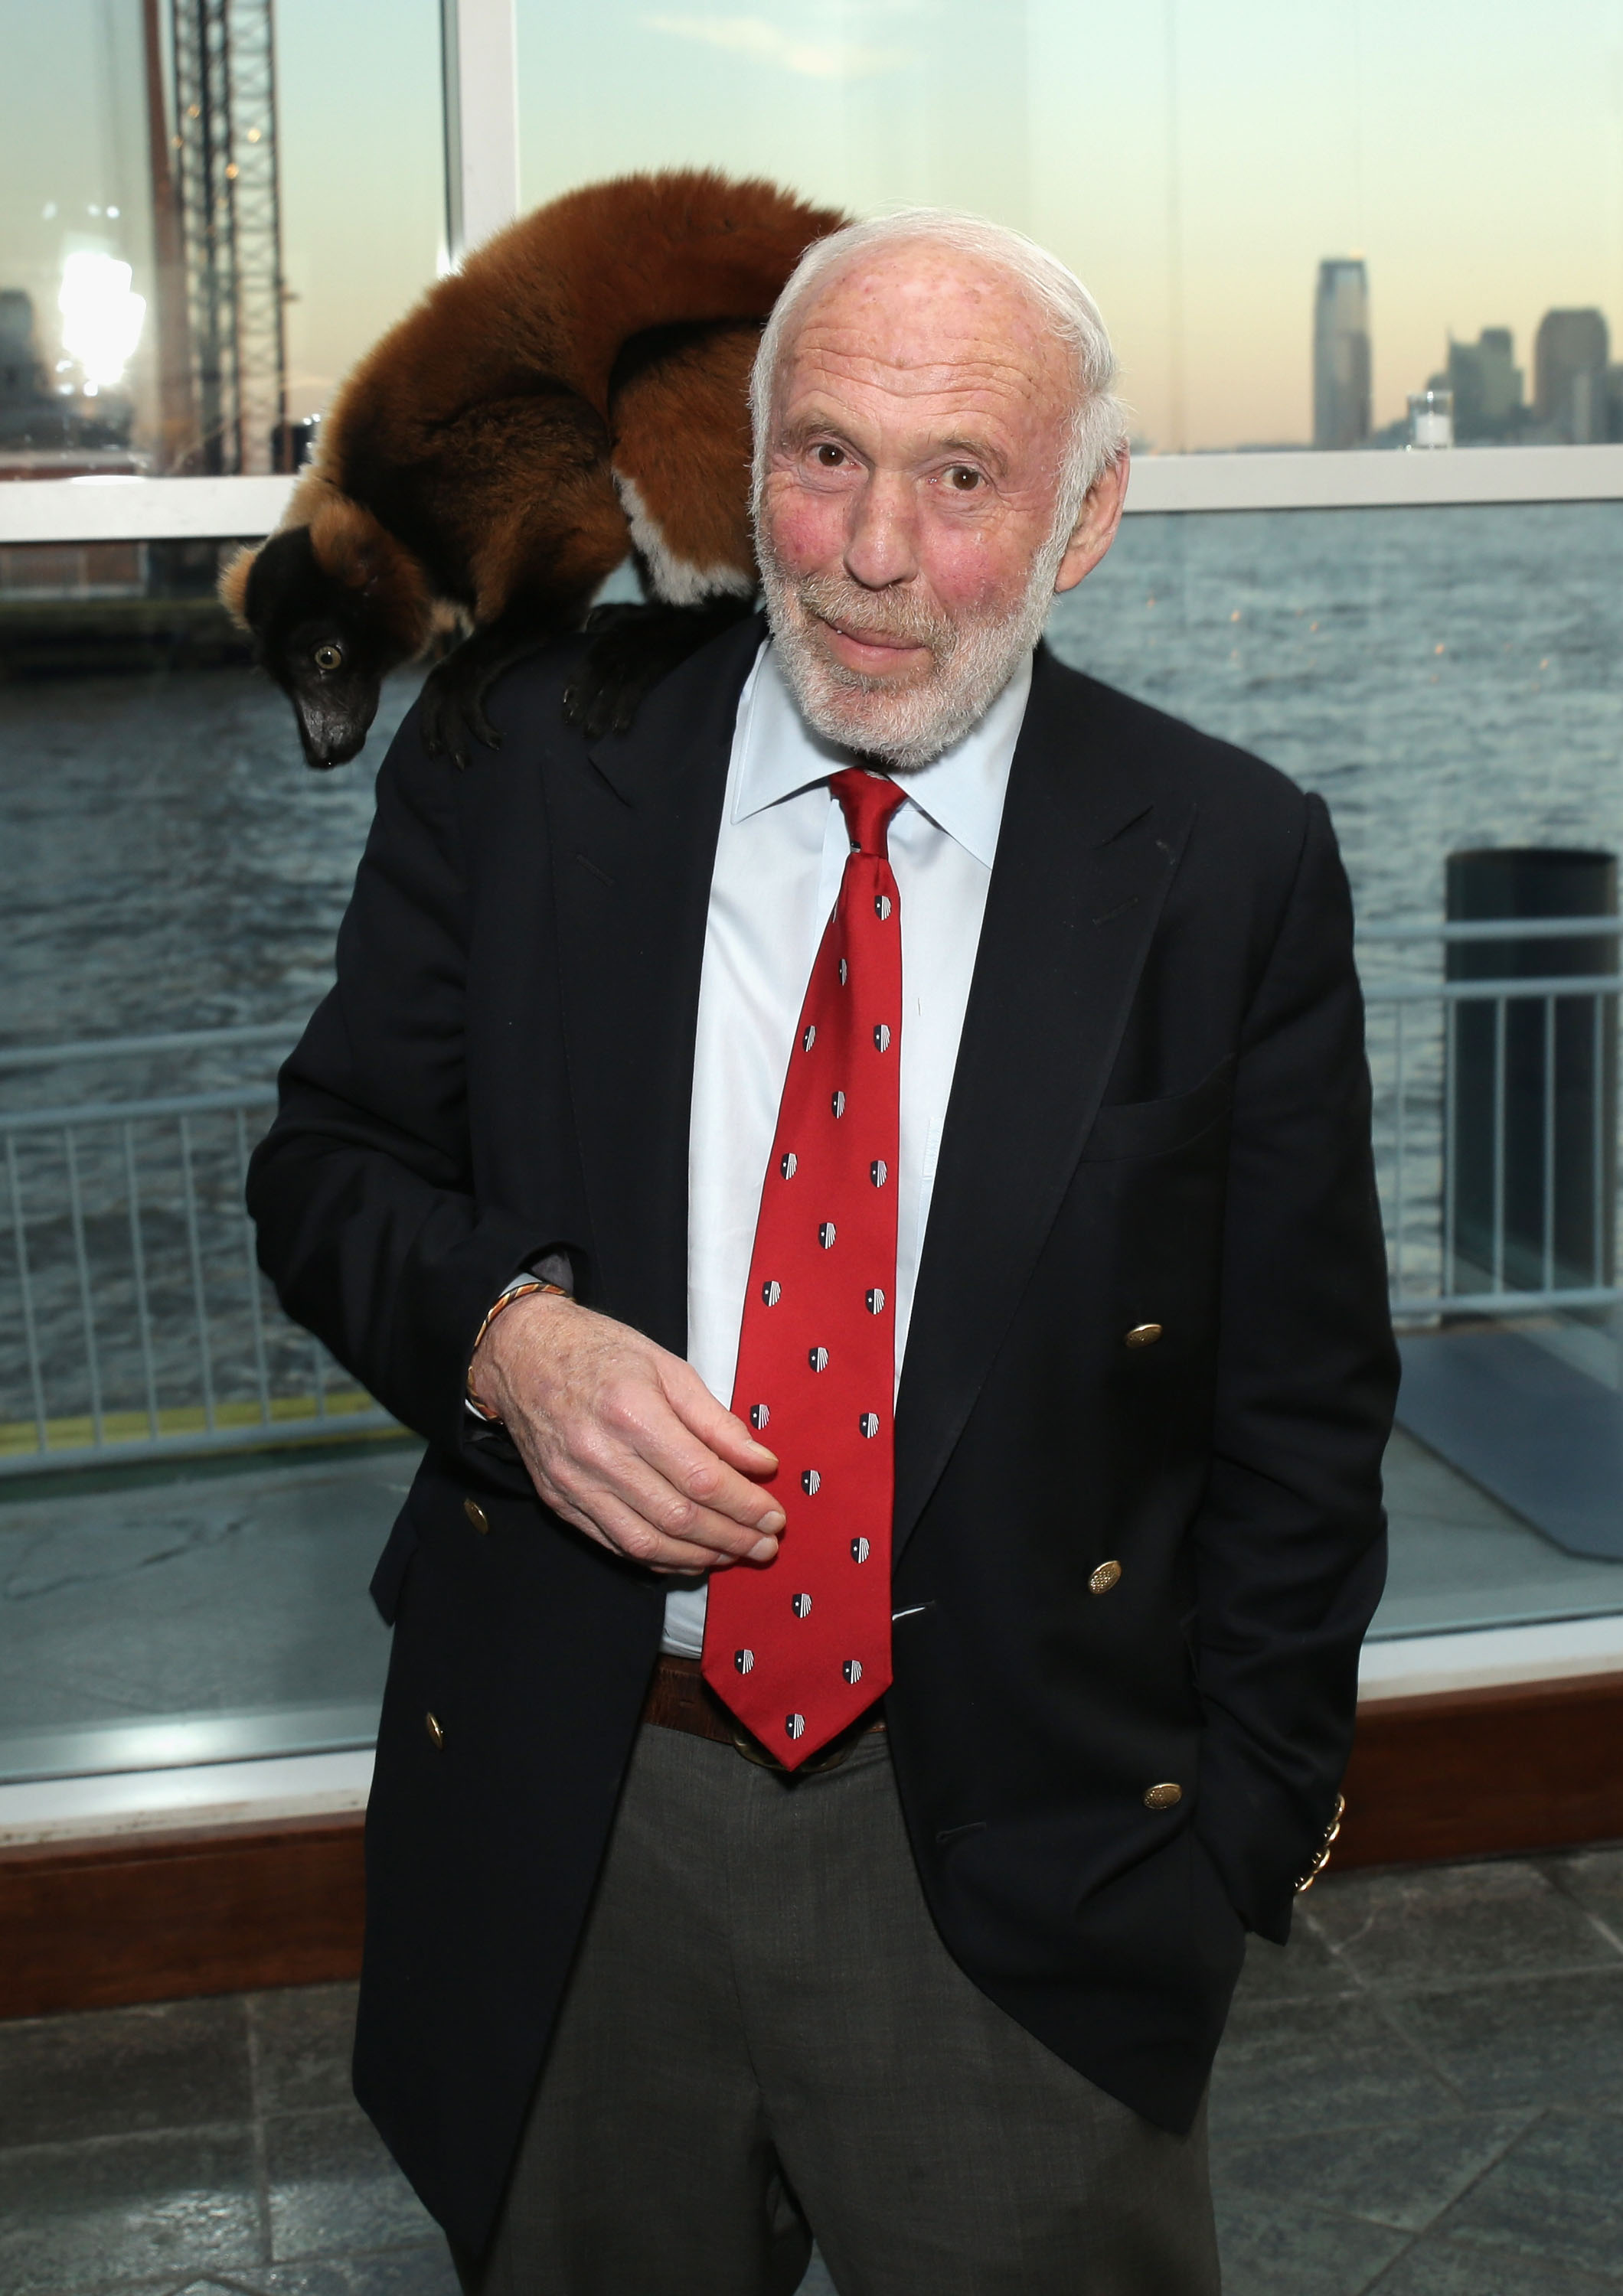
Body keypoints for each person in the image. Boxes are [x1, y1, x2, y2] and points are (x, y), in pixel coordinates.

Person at [247, 208, 1399, 2295]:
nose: (874, 552)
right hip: (584, 1827)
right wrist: (509, 1343)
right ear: (740, 461)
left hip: (1026, 1867)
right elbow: (328, 1166)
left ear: (1084, 520)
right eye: (827, 457)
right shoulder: (521, 766)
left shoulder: (1228, 861)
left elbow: (1302, 1411)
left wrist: (1233, 1844)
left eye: (962, 478)